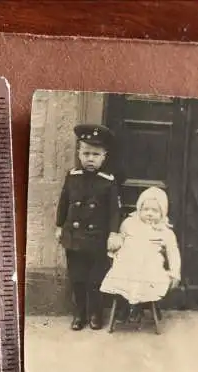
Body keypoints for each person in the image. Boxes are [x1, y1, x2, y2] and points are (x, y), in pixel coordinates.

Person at [55, 124, 122, 331]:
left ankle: (95, 314)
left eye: (95, 154)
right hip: (74, 237)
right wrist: (59, 226)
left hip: (97, 239)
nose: (90, 158)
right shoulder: (72, 176)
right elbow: (64, 202)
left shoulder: (108, 182)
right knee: (77, 278)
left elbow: (114, 211)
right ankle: (79, 314)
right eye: (86, 153)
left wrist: (113, 233)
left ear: (104, 156)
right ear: (79, 153)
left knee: (95, 280)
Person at [100, 187, 181, 318]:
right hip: (126, 266)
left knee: (146, 272)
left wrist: (175, 273)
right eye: (146, 209)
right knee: (127, 270)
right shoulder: (129, 223)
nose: (149, 213)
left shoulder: (165, 231)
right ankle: (127, 305)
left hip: (150, 269)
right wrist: (116, 242)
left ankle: (135, 306)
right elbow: (121, 237)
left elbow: (173, 252)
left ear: (162, 212)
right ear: (139, 209)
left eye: (155, 210)